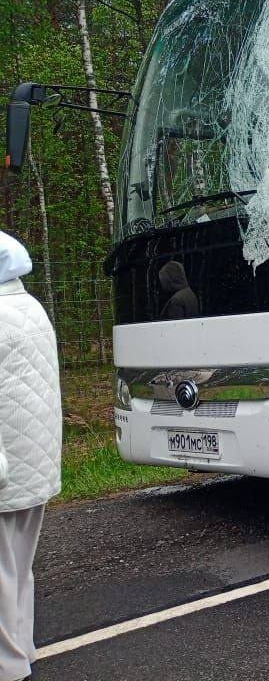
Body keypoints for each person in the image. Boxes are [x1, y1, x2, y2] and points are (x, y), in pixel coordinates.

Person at [0, 231, 61, 681]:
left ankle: (9, 666)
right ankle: (25, 649)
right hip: (35, 462)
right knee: (18, 567)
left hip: (4, 468)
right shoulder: (31, 308)